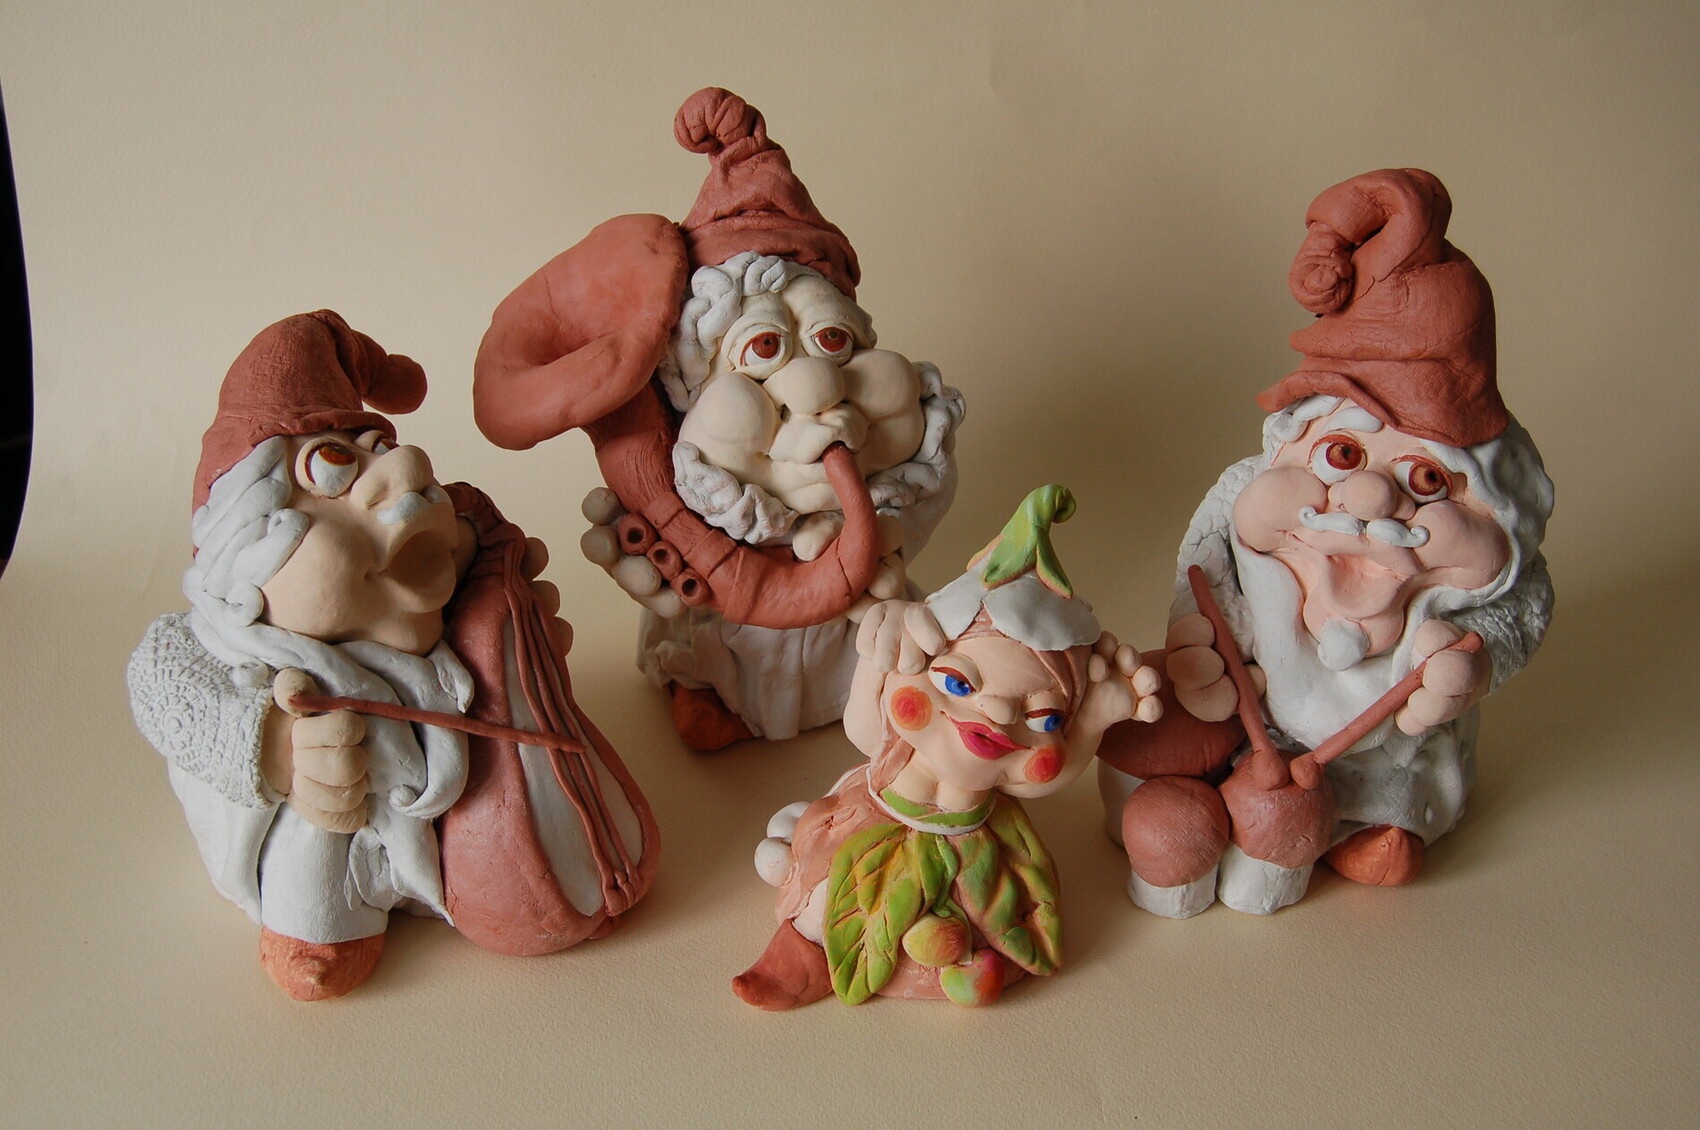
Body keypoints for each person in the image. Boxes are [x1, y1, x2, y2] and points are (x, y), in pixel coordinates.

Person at [129, 312, 657, 999]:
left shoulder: (435, 617)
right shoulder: (211, 642)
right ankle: (316, 929)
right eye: (332, 468)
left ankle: (454, 877)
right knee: (318, 817)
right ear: (247, 545)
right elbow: (161, 691)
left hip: (431, 786)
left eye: (381, 447)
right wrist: (275, 745)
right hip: (318, 799)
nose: (407, 469)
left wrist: (518, 640)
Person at [1100, 169, 1555, 916]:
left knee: (1375, 793)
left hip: (1386, 746)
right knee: (1175, 755)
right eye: (1343, 455)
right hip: (1242, 706)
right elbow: (1205, 563)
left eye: (1428, 480)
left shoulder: (1486, 578)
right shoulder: (1248, 496)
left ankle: (1356, 825)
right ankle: (1192, 813)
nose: (1371, 499)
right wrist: (1196, 635)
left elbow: (1522, 610)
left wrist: (1471, 670)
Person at [473, 88, 963, 751]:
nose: (820, 387)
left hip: (851, 634)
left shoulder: (895, 465)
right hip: (728, 619)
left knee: (883, 644)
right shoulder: (706, 471)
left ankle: (869, 691)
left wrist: (883, 542)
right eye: (763, 349)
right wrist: (657, 560)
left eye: (832, 340)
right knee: (703, 638)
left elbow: (914, 504)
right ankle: (703, 688)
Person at [735, 487, 1161, 1009]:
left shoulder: (1012, 766)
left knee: (993, 913)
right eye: (960, 683)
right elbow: (863, 729)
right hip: (878, 821)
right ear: (915, 666)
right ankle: (806, 950)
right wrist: (877, 655)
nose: (997, 714)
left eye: (1042, 716)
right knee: (832, 894)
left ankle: (958, 960)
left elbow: (1036, 780)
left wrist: (1094, 720)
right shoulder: (896, 715)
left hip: (978, 841)